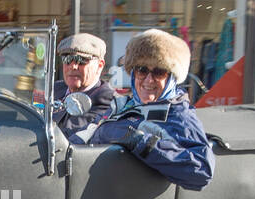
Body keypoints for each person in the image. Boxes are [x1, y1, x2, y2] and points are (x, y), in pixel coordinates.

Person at [75, 28, 214, 190]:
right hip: (96, 193)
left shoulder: (178, 116)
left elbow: (202, 171)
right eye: (142, 70)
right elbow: (85, 135)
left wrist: (141, 142)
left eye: (159, 72)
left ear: (172, 78)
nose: (149, 79)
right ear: (133, 73)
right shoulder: (122, 105)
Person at [52, 32, 116, 134]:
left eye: (81, 60)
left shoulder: (107, 99)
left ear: (100, 65)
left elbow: (75, 133)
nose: (73, 67)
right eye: (67, 59)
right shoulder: (53, 89)